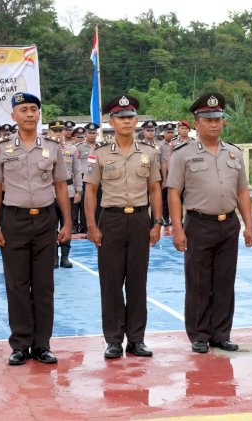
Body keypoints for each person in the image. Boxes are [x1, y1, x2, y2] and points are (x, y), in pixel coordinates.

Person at [0, 92, 71, 366]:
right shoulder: (0, 149)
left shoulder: (52, 147)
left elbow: (60, 187)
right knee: (17, 284)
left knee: (44, 285)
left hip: (46, 219)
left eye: (34, 109)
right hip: (14, 219)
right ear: (14, 115)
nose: (30, 114)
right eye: (23, 110)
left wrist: (67, 222)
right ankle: (21, 344)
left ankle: (42, 344)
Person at [167, 92, 252, 354]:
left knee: (225, 281)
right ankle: (199, 334)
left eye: (218, 119)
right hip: (198, 223)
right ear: (197, 123)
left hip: (228, 224)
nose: (215, 124)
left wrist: (248, 224)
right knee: (199, 282)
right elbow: (173, 191)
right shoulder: (182, 154)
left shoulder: (233, 153)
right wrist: (177, 229)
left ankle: (221, 333)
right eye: (208, 119)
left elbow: (242, 191)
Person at [83, 94, 162, 359]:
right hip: (112, 220)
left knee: (138, 282)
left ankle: (137, 339)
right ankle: (114, 340)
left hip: (140, 220)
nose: (126, 121)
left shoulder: (149, 153)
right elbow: (91, 191)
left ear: (136, 120)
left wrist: (157, 222)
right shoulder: (100, 154)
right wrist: (92, 226)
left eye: (130, 117)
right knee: (111, 282)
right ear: (112, 121)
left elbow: (155, 189)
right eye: (121, 117)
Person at [54, 125, 82, 267]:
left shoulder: (72, 150)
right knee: (51, 226)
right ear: (49, 132)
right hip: (49, 193)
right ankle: (53, 257)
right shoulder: (45, 150)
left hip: (69, 191)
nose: (58, 134)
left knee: (67, 223)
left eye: (60, 131)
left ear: (64, 133)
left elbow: (77, 171)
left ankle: (64, 257)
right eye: (55, 131)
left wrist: (79, 190)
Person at [76, 122, 100, 233]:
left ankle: (99, 225)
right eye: (90, 133)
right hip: (84, 178)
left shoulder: (101, 147)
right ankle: (86, 227)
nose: (92, 135)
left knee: (99, 203)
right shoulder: (79, 147)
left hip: (98, 179)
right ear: (86, 133)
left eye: (94, 133)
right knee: (86, 203)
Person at [159, 123, 176, 225]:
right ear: (164, 133)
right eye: (168, 132)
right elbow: (162, 162)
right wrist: (164, 179)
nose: (170, 134)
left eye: (172, 132)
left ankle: (176, 219)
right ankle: (165, 219)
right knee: (165, 198)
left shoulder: (177, 144)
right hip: (163, 173)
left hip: (176, 173)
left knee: (177, 198)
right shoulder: (160, 145)